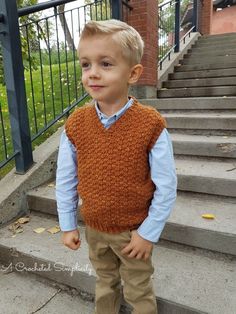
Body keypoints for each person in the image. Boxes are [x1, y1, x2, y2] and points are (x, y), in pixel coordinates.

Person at [56, 19, 177, 314]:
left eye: (106, 64)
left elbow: (167, 184)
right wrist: (68, 223)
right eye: (86, 64)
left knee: (138, 288)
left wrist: (148, 232)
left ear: (133, 73)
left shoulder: (150, 125)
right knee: (104, 282)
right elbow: (66, 178)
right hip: (94, 229)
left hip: (133, 232)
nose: (93, 73)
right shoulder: (76, 125)